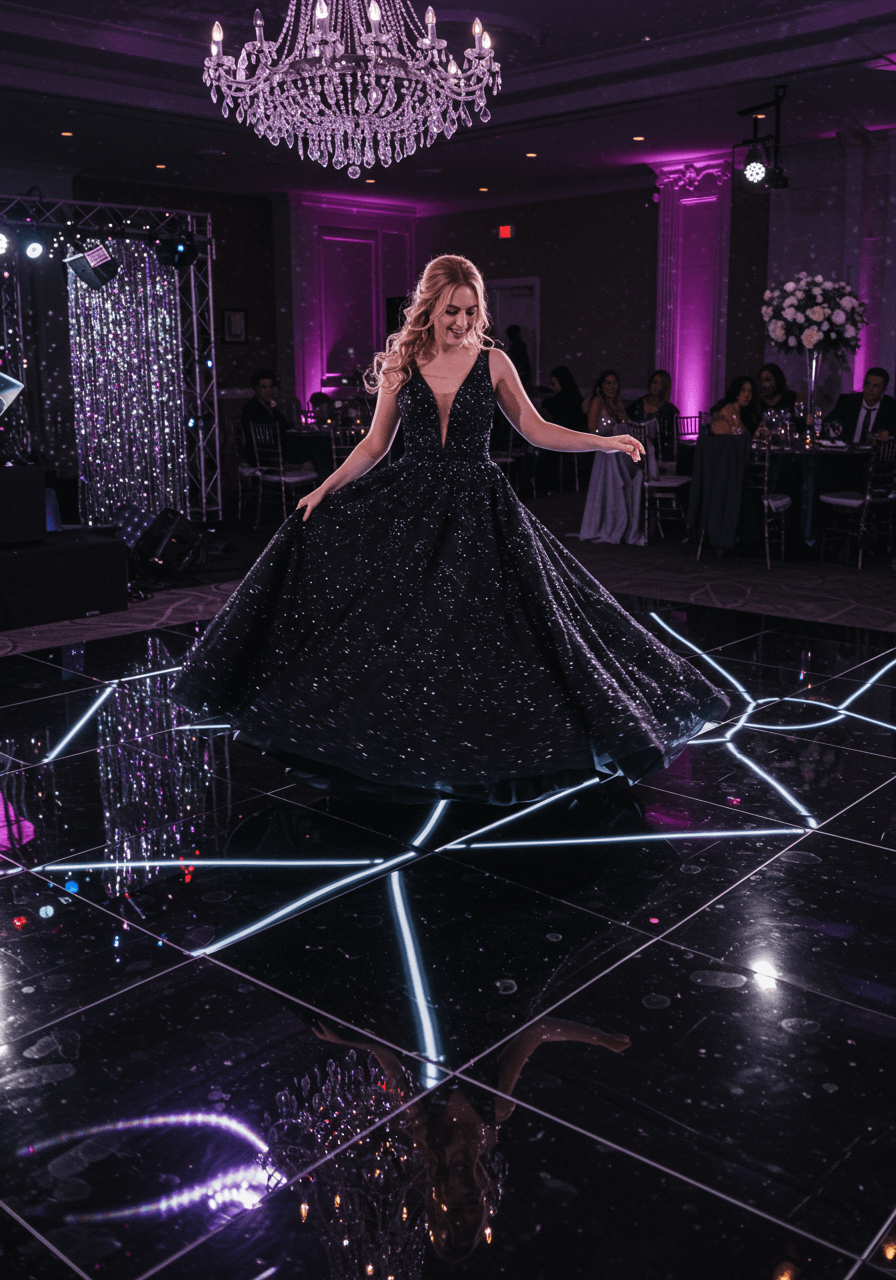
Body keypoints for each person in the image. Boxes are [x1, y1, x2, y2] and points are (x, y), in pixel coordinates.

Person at [173, 254, 728, 804]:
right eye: (450, 311)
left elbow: (535, 431)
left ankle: (487, 753)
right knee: (394, 629)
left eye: (470, 310)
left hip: (479, 509)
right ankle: (387, 748)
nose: (461, 322)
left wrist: (605, 442)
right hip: (408, 505)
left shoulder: (494, 362)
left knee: (502, 634)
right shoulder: (402, 361)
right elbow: (373, 446)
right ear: (429, 307)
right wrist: (324, 489)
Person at [826, 367, 896, 445]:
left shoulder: (891, 407)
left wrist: (888, 434)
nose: (870, 389)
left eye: (876, 386)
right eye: (867, 383)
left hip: (875, 454)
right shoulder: (847, 402)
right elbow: (827, 424)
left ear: (884, 389)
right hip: (846, 452)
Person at [240, 368, 291, 466]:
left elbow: (285, 426)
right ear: (256, 389)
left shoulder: (273, 406)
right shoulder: (250, 408)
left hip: (275, 452)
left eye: (270, 387)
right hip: (262, 456)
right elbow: (260, 435)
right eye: (264, 387)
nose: (269, 391)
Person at [627, 369, 680, 462]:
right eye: (655, 382)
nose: (657, 386)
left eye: (661, 384)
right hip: (636, 454)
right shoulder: (635, 407)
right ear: (650, 383)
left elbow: (673, 439)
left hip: (660, 457)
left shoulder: (670, 410)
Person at [584, 369, 631, 433]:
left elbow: (628, 424)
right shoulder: (597, 402)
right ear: (601, 385)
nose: (611, 387)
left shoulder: (617, 403)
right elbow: (592, 431)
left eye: (614, 383)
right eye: (608, 383)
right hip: (601, 441)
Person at [505, 324, 531, 388]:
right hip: (519, 375)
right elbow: (525, 363)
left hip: (517, 375)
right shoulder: (519, 347)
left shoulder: (515, 347)